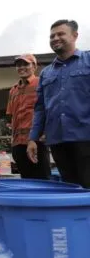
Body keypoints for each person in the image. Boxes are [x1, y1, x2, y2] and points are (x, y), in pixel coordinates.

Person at [28, 19, 90, 188]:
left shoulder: (88, 60)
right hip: (58, 140)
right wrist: (33, 138)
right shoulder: (46, 73)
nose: (55, 38)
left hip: (86, 137)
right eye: (52, 36)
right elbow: (40, 108)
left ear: (75, 35)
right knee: (70, 189)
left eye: (61, 34)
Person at [7, 54, 50, 179]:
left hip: (37, 141)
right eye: (18, 65)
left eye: (26, 64)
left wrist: (44, 133)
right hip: (18, 143)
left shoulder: (41, 83)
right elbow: (12, 116)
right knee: (26, 179)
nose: (21, 67)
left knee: (42, 180)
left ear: (34, 66)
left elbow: (48, 110)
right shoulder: (13, 90)